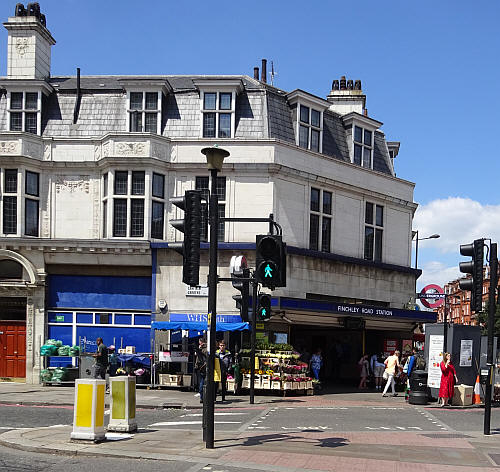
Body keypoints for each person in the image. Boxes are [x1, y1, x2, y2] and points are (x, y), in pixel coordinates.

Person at [194, 338, 207, 403]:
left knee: (202, 382)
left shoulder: (204, 349)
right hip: (200, 367)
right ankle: (202, 397)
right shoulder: (201, 348)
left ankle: (202, 396)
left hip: (203, 367)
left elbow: (202, 357)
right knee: (201, 381)